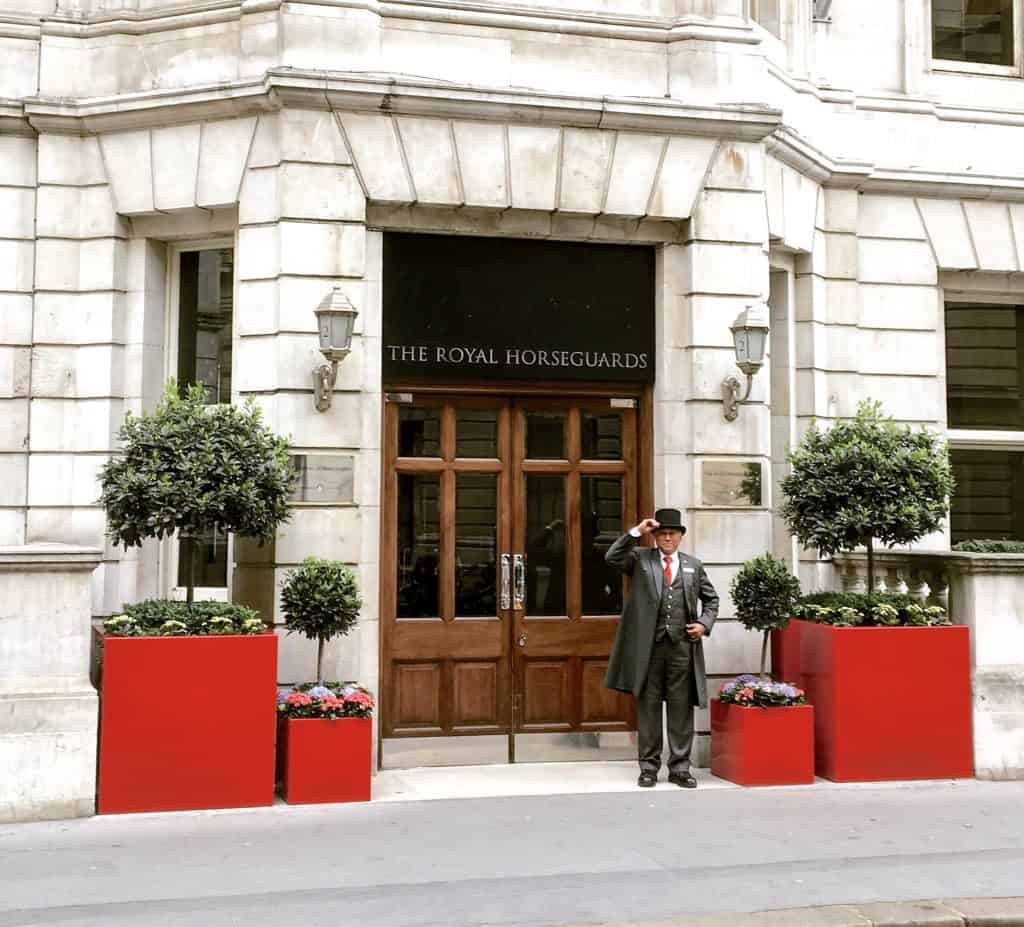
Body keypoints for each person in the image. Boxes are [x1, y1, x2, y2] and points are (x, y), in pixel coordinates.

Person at [604, 508, 719, 788]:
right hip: (650, 649)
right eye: (662, 534)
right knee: (649, 709)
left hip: (682, 648)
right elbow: (612, 557)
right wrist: (636, 532)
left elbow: (712, 600)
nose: (667, 538)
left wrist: (704, 624)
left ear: (680, 537)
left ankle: (680, 768)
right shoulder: (640, 559)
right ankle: (648, 767)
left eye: (672, 533)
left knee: (681, 710)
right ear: (655, 536)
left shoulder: (694, 565)